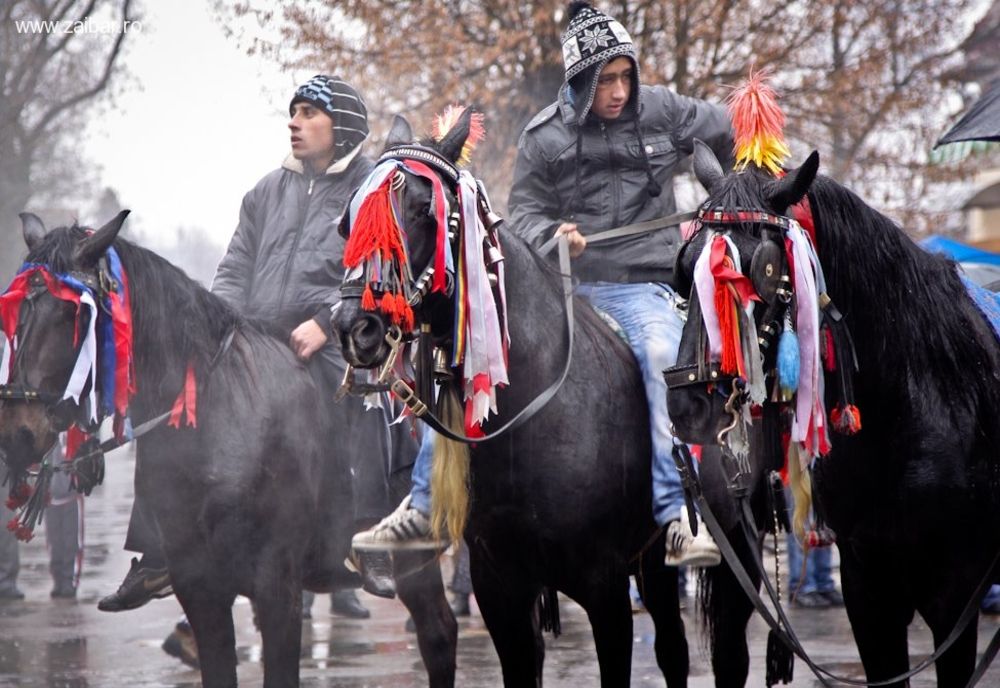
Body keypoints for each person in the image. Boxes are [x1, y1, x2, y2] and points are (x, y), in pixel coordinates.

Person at [356, 2, 731, 568]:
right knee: (472, 346)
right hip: (567, 289)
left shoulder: (666, 110)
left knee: (661, 353)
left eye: (625, 75)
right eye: (606, 80)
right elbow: (523, 212)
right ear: (579, 81)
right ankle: (424, 505)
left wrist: (730, 194)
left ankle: (676, 515)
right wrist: (555, 233)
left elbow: (729, 132)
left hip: (644, 286)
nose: (619, 90)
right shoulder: (543, 136)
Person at [97, 75, 410, 615]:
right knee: (176, 408)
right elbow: (236, 265)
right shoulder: (265, 190)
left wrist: (326, 320)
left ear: (344, 125)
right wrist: (213, 323)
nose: (294, 122)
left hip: (338, 333)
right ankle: (156, 555)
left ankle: (368, 538)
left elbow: (377, 273)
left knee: (364, 394)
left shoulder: (372, 189)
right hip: (256, 332)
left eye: (309, 112)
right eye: (293, 112)